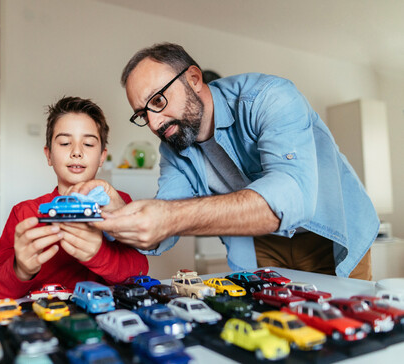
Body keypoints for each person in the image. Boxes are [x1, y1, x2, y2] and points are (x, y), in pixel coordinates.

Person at [74, 42, 379, 280]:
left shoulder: (269, 97)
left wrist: (169, 216)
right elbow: (166, 216)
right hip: (261, 243)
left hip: (328, 233)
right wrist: (119, 215)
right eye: (143, 114)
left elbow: (292, 196)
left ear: (193, 79)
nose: (154, 123)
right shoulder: (173, 147)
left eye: (158, 101)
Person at [0, 96, 149, 299]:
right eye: (65, 143)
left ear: (102, 157)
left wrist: (99, 253)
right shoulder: (24, 213)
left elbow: (140, 273)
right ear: (48, 155)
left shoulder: (119, 203)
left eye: (88, 144)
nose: (77, 152)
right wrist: (21, 269)